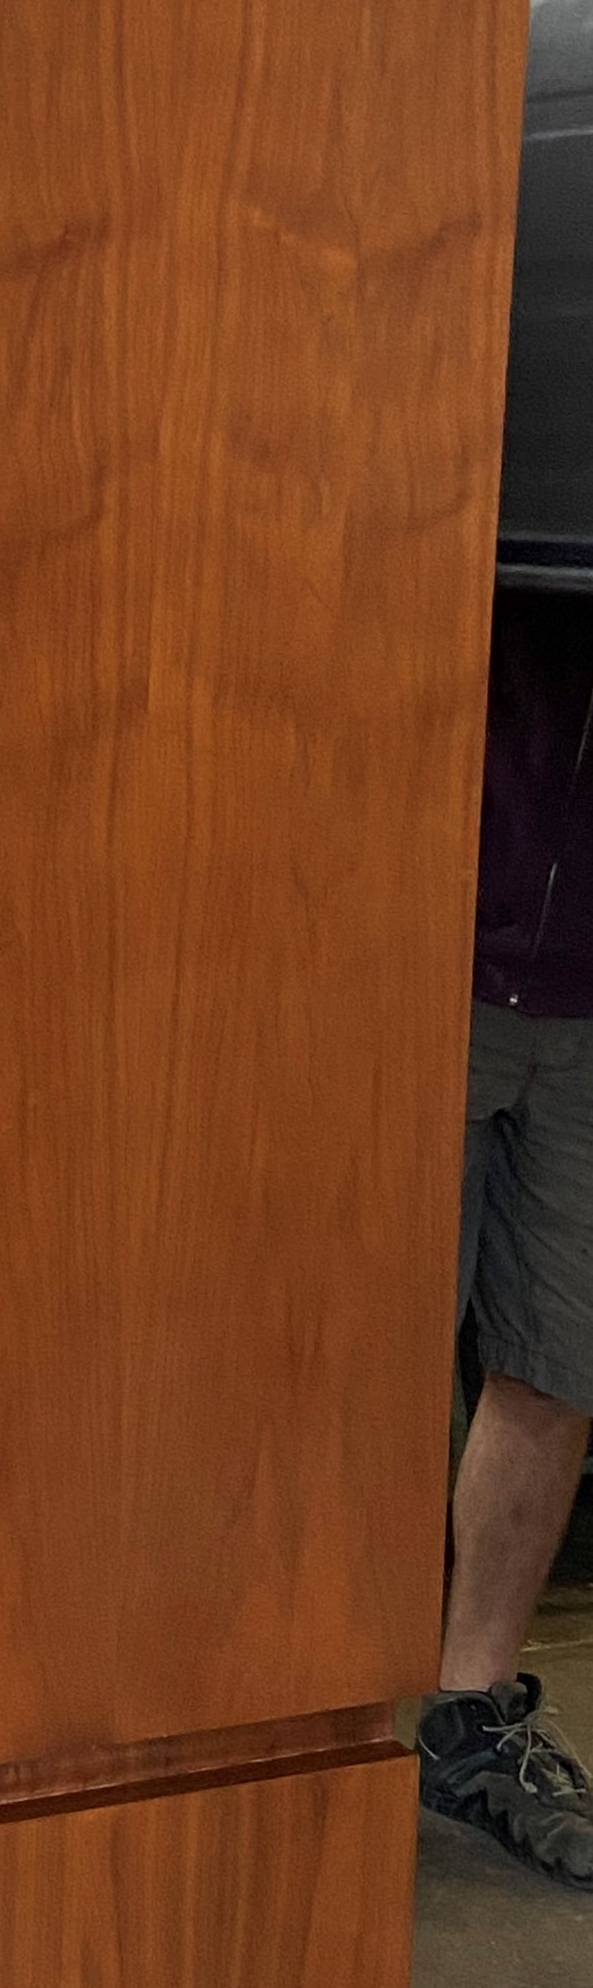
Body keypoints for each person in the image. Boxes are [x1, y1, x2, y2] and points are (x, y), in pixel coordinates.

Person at [417, 584, 593, 1882]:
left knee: (558, 1350)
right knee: (350, 1348)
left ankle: (467, 1717)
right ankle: (314, 1725)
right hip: (427, 957)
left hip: (589, 1003)